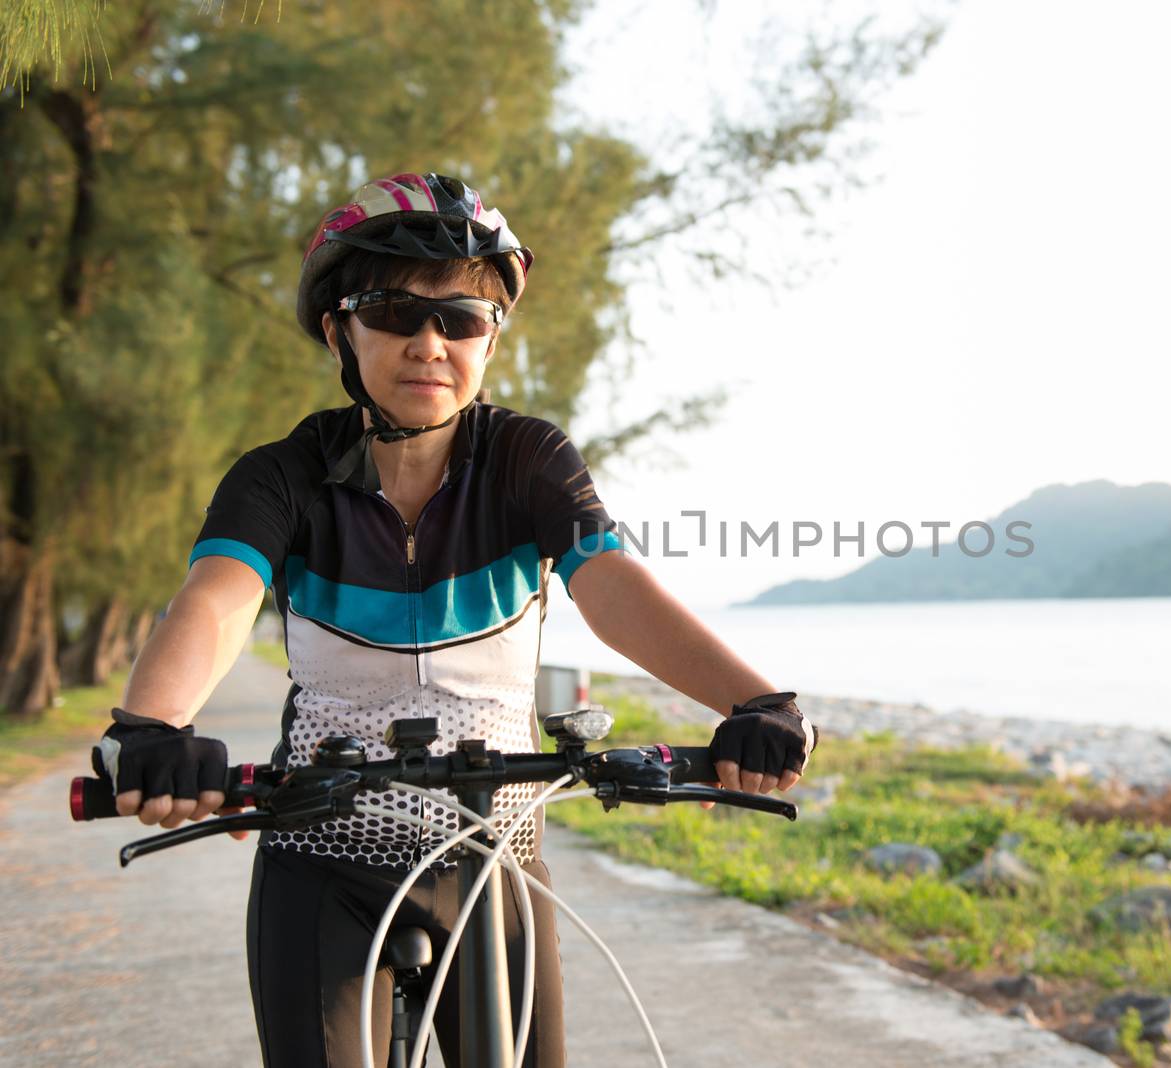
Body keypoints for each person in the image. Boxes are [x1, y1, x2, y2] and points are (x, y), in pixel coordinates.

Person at [85, 171, 817, 1068]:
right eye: (394, 312)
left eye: (463, 320)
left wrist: (757, 702)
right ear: (338, 330)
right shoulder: (281, 476)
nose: (429, 344)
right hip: (324, 851)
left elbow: (615, 588)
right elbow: (219, 596)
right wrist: (153, 725)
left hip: (495, 852)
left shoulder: (529, 460)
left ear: (489, 340)